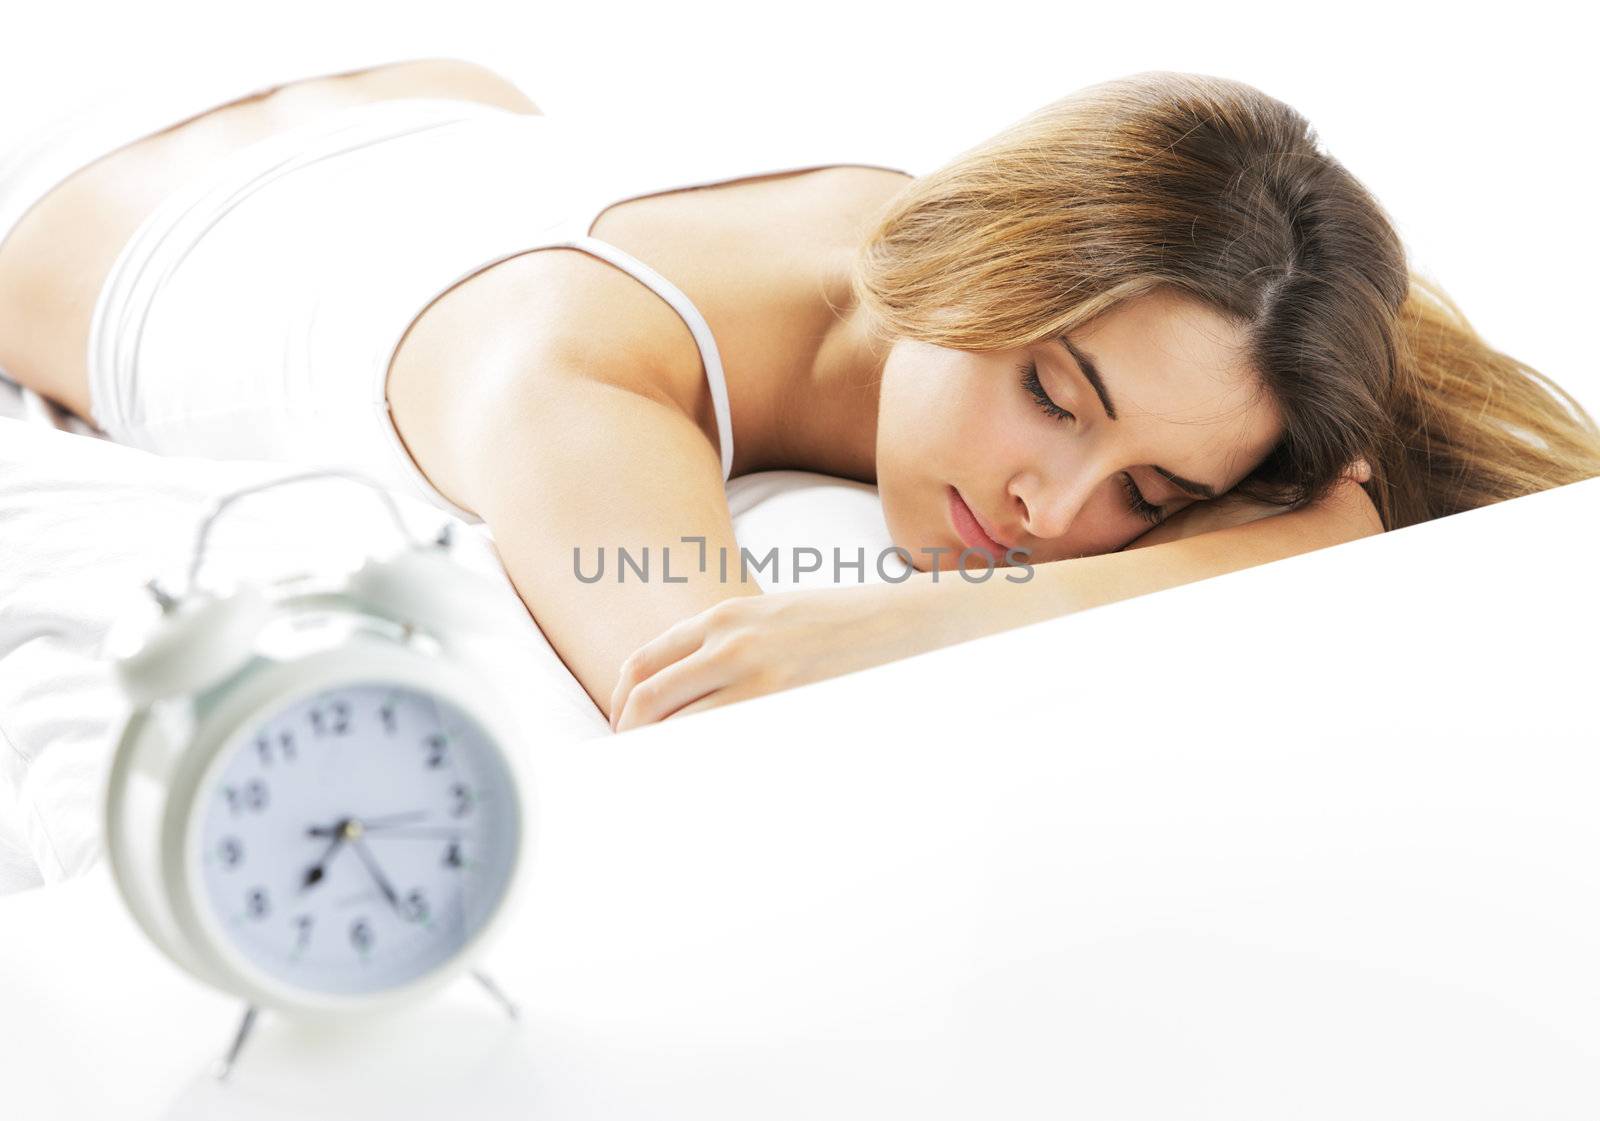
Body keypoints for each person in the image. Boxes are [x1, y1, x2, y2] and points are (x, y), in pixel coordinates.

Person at [1, 58, 1595, 732]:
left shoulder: (954, 275)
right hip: (92, 209)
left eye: (1156, 499)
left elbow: (1348, 519)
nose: (1057, 513)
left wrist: (924, 606)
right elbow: (716, 697)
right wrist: (884, 627)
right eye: (1054, 391)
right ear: (979, 256)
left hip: (442, 109)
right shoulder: (567, 373)